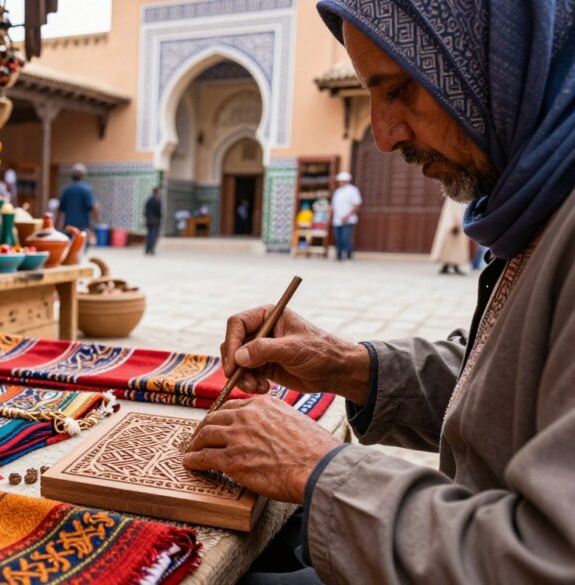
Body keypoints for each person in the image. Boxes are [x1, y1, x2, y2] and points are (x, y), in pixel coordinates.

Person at [183, 2, 575, 584]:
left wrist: (317, 468)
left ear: (495, 63)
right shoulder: (541, 202)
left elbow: (545, 561)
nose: (385, 136)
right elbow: (505, 384)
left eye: (399, 90)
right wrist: (348, 366)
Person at [430, 198, 469, 274]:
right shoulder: (452, 198)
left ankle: (454, 265)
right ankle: (446, 265)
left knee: (455, 248)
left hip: (457, 224)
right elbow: (451, 212)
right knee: (449, 247)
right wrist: (454, 224)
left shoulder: (459, 197)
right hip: (453, 225)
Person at [57, 163, 99, 232]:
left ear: (72, 176)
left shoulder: (66, 189)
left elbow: (60, 210)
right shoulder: (86, 189)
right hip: (82, 227)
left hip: (68, 227)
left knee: (70, 243)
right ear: (83, 176)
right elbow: (93, 207)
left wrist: (56, 226)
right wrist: (96, 223)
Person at [330, 171, 361, 260]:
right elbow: (333, 206)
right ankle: (339, 255)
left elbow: (357, 205)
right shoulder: (338, 191)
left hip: (348, 219)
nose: (340, 182)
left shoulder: (353, 190)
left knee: (345, 238)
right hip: (337, 219)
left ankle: (348, 255)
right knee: (338, 238)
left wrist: (347, 216)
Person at [144, 187, 162, 255]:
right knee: (153, 235)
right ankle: (151, 249)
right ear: (157, 192)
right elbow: (158, 212)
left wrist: (147, 218)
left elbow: (145, 211)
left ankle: (147, 249)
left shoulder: (149, 200)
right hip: (155, 220)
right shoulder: (157, 201)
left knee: (149, 235)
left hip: (149, 220)